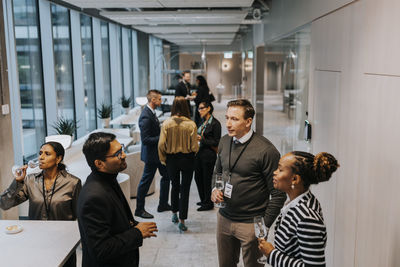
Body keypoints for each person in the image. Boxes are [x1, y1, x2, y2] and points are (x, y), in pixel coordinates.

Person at [211, 99, 286, 267]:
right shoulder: (224, 141)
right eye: (227, 118)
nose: (228, 124)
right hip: (224, 218)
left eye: (235, 119)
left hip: (251, 223)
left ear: (248, 121)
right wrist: (215, 189)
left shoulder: (266, 151)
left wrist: (262, 227)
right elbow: (218, 171)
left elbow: (278, 194)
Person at [78, 132, 158, 267]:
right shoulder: (94, 197)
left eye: (121, 149)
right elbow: (100, 250)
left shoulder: (109, 178)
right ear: (99, 163)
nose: (124, 155)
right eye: (117, 154)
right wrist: (137, 233)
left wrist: (133, 225)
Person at [0, 141, 82, 267]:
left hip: (63, 243)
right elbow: (4, 204)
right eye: (40, 153)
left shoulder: (73, 182)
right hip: (37, 242)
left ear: (58, 159)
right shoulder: (30, 180)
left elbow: (80, 216)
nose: (41, 157)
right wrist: (17, 183)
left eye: (47, 154)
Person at [258, 151, 339, 267]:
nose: (274, 173)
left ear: (295, 179)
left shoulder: (306, 217)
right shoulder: (296, 202)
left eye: (280, 170)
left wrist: (271, 253)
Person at [158, 96, 199, 232]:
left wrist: (164, 159)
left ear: (173, 107)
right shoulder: (191, 124)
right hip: (187, 159)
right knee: (185, 189)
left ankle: (174, 214)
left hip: (171, 159)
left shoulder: (166, 123)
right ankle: (182, 221)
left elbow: (161, 145)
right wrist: (193, 151)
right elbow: (194, 147)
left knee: (174, 186)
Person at [135, 89, 171, 219]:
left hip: (157, 154)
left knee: (166, 176)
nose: (161, 101)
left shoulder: (152, 113)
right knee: (145, 182)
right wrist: (162, 137)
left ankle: (163, 204)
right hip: (151, 156)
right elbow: (145, 139)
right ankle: (139, 209)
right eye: (159, 99)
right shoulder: (145, 115)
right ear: (153, 100)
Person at [194, 101, 221, 211]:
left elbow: (216, 142)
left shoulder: (215, 124)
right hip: (199, 153)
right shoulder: (202, 122)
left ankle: (208, 203)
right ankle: (204, 199)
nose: (199, 111)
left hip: (209, 155)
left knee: (207, 179)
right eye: (198, 109)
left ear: (208, 108)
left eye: (201, 108)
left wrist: (202, 139)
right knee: (198, 178)